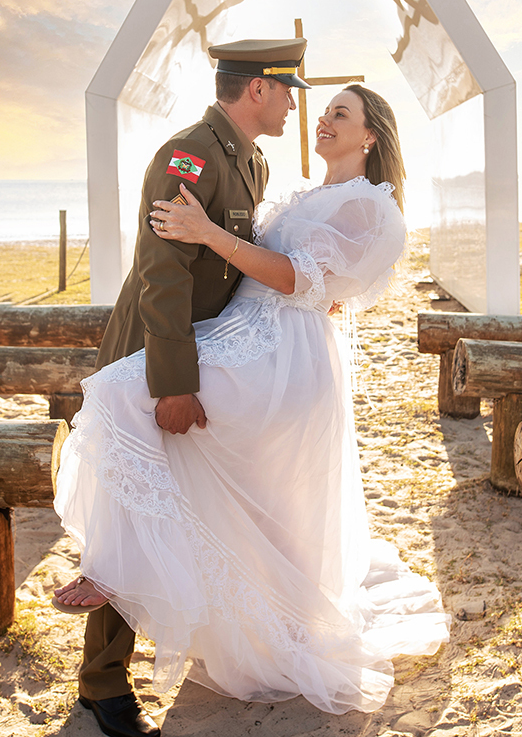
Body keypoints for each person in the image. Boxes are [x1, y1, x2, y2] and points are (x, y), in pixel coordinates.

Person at [53, 82, 450, 721]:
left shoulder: (370, 206)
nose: (316, 117)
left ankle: (113, 570)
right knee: (258, 500)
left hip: (277, 351)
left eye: (338, 114)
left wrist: (209, 233)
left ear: (370, 136)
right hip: (250, 334)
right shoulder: (300, 187)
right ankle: (159, 588)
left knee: (123, 399)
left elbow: (296, 276)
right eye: (320, 109)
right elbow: (290, 270)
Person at [57, 38, 309, 737]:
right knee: (130, 507)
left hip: (205, 356)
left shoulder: (252, 160)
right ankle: (103, 686)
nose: (294, 102)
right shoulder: (188, 156)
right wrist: (172, 384)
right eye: (288, 89)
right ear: (258, 88)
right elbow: (161, 276)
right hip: (153, 356)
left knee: (184, 505)